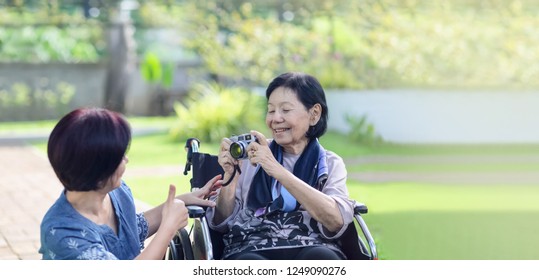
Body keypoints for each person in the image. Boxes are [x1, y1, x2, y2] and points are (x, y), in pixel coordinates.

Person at [206, 72, 355, 260]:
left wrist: (276, 169)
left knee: (322, 259)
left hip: (312, 243)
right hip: (250, 245)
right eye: (271, 110)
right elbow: (220, 222)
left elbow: (336, 221)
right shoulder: (250, 156)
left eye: (285, 110)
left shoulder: (330, 163)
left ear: (314, 114)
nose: (275, 118)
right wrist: (231, 177)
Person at [39, 107, 221, 260]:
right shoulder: (62, 232)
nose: (126, 159)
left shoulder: (117, 193)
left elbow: (132, 229)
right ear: (97, 168)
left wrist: (183, 201)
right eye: (119, 156)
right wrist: (168, 228)